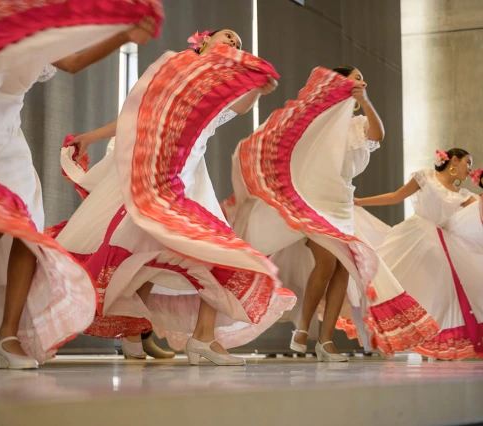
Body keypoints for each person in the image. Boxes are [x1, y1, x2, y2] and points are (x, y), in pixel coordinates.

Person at [0, 0, 163, 369]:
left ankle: (7, 335)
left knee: (27, 229)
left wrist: (124, 34)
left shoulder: (41, 25)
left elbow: (75, 62)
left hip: (7, 137)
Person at [50, 29, 295, 366]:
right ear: (204, 41)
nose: (235, 44)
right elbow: (136, 116)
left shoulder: (222, 83)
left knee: (215, 250)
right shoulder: (177, 72)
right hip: (150, 173)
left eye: (239, 44)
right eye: (229, 37)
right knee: (142, 252)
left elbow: (238, 108)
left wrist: (257, 90)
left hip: (189, 180)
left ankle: (202, 338)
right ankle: (135, 334)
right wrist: (89, 137)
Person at [225, 66, 438, 361]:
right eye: (354, 77)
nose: (361, 80)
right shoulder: (314, 121)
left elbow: (378, 134)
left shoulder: (358, 123)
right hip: (313, 199)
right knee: (326, 261)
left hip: (341, 201)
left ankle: (324, 341)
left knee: (342, 267)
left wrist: (364, 101)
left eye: (362, 77)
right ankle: (302, 329)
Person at [354, 149, 482, 360]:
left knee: (440, 291)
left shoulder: (463, 195)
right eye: (468, 162)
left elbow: (479, 210)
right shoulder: (426, 177)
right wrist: (361, 202)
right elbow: (396, 196)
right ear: (454, 160)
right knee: (399, 281)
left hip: (442, 243)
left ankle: (432, 340)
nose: (469, 169)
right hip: (415, 235)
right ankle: (399, 334)